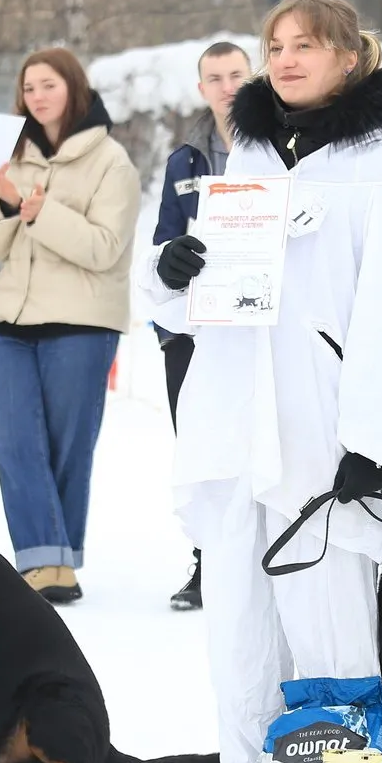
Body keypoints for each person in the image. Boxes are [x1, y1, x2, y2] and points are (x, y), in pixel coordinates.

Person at [143, 0, 382, 763]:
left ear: (349, 58)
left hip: (324, 431)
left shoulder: (380, 171)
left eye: (305, 44)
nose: (284, 59)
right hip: (238, 422)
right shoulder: (249, 158)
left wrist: (378, 442)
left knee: (326, 612)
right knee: (239, 614)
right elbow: (204, 302)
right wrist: (174, 272)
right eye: (275, 44)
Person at [0, 48, 139, 604]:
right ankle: (46, 563)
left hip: (82, 324)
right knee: (13, 442)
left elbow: (103, 249)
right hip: (14, 321)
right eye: (29, 87)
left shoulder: (111, 160)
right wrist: (6, 204)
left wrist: (36, 209)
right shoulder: (9, 156)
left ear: (74, 88)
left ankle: (54, 565)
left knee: (67, 450)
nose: (37, 96)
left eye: (48, 85)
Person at [151, 40, 251, 610]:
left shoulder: (279, 145)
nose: (226, 87)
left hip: (254, 325)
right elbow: (162, 245)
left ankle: (257, 562)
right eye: (214, 78)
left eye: (236, 74)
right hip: (192, 330)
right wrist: (169, 328)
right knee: (200, 450)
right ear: (201, 88)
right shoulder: (184, 159)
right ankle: (206, 562)